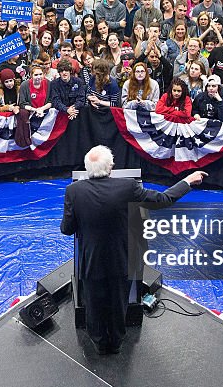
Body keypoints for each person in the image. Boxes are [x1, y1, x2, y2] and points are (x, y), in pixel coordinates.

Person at [60, 145, 205, 354]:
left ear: (87, 169)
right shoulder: (128, 187)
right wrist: (187, 182)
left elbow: (67, 229)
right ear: (110, 167)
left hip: (91, 262)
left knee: (93, 305)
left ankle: (99, 344)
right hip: (123, 260)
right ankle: (116, 343)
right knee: (119, 304)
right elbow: (163, 200)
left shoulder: (73, 191)